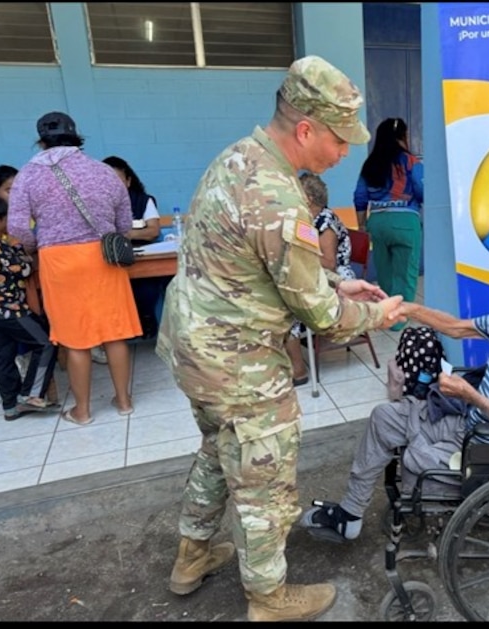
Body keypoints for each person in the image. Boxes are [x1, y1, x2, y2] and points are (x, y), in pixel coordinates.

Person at [154, 55, 405, 623]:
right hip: (237, 364)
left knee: (219, 453)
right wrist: (378, 315)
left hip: (194, 348)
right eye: (340, 140)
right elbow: (320, 317)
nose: (345, 153)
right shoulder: (277, 195)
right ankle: (268, 599)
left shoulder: (236, 159)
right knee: (263, 481)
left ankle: (191, 556)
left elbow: (252, 264)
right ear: (306, 129)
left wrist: (342, 279)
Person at [300, 230, 489, 542]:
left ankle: (420, 518)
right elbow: (458, 328)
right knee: (384, 417)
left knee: (415, 460)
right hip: (468, 425)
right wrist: (408, 309)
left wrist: (470, 395)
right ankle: (350, 514)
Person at [7, 111, 141, 425]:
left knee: (75, 337)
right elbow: (123, 223)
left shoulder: (28, 175)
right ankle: (124, 402)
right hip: (104, 258)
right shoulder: (103, 171)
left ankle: (82, 411)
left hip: (60, 261)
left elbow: (17, 227)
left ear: (41, 141)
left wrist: (35, 246)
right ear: (76, 136)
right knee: (115, 333)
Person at [0, 190, 58, 420]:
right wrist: (16, 247)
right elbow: (24, 270)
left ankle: (10, 405)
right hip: (12, 311)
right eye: (4, 222)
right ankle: (30, 395)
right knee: (46, 342)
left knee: (3, 355)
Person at [285, 172, 356, 385]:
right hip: (313, 276)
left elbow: (329, 263)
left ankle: (298, 371)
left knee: (288, 309)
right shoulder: (307, 221)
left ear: (308, 199)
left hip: (337, 281)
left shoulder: (325, 220)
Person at [353, 117, 424, 329]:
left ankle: (385, 313)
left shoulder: (370, 163)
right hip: (405, 221)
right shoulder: (411, 162)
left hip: (377, 222)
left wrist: (362, 226)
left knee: (385, 271)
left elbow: (359, 196)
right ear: (403, 136)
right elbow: (422, 190)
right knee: (406, 273)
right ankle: (398, 321)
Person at [103, 155, 166, 341]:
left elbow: (153, 231)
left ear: (128, 181)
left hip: (142, 256)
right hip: (112, 260)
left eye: (118, 180)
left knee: (147, 287)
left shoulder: (143, 201)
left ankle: (146, 319)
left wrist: (124, 235)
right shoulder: (97, 206)